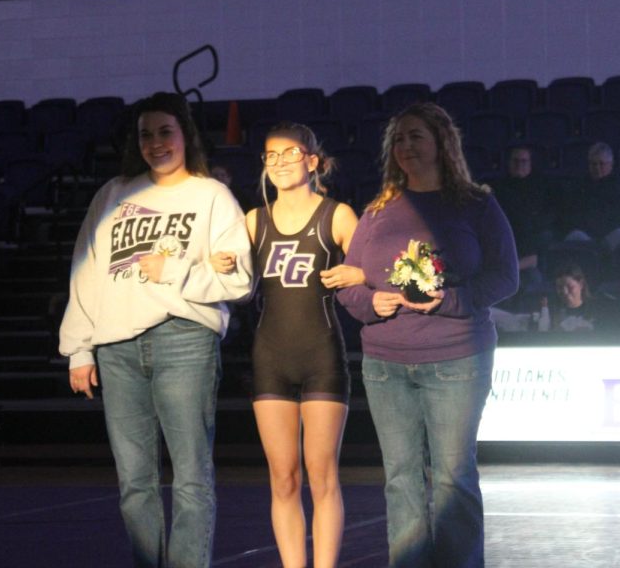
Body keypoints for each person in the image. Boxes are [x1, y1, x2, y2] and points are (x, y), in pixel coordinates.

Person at [59, 92, 253, 568]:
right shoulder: (113, 193)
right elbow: (85, 270)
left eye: (166, 131)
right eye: (146, 134)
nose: (156, 143)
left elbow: (239, 280)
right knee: (134, 481)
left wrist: (176, 270)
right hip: (117, 347)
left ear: (185, 134)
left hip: (184, 341)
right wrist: (79, 348)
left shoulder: (211, 196)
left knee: (190, 476)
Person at [337, 102, 519, 568]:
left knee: (453, 479)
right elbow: (350, 280)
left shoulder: (476, 204)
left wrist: (451, 301)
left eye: (416, 136)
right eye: (398, 139)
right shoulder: (377, 211)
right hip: (385, 365)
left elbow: (506, 277)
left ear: (442, 142)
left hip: (456, 360)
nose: (406, 146)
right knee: (400, 481)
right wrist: (368, 305)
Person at [211, 122, 361, 568]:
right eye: (270, 156)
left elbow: (370, 270)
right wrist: (222, 261)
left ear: (312, 161)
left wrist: (360, 274)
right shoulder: (254, 220)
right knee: (283, 478)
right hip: (270, 359)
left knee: (323, 476)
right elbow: (233, 280)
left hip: (322, 357)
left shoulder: (337, 215)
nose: (278, 163)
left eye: (289, 154)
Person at [491, 145, 556, 286]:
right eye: (516, 161)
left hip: (531, 243)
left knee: (534, 280)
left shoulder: (542, 187)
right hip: (506, 242)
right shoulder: (499, 187)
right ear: (509, 163)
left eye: (524, 161)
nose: (519, 165)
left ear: (530, 163)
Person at [561, 142, 620, 251]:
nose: (597, 168)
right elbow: (574, 213)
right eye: (593, 164)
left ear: (610, 164)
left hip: (611, 233)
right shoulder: (579, 186)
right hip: (586, 235)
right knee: (574, 236)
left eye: (601, 164)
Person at [547, 262, 613, 332]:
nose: (565, 292)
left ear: (581, 284)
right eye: (560, 287)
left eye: (570, 287)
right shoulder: (550, 310)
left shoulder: (599, 309)